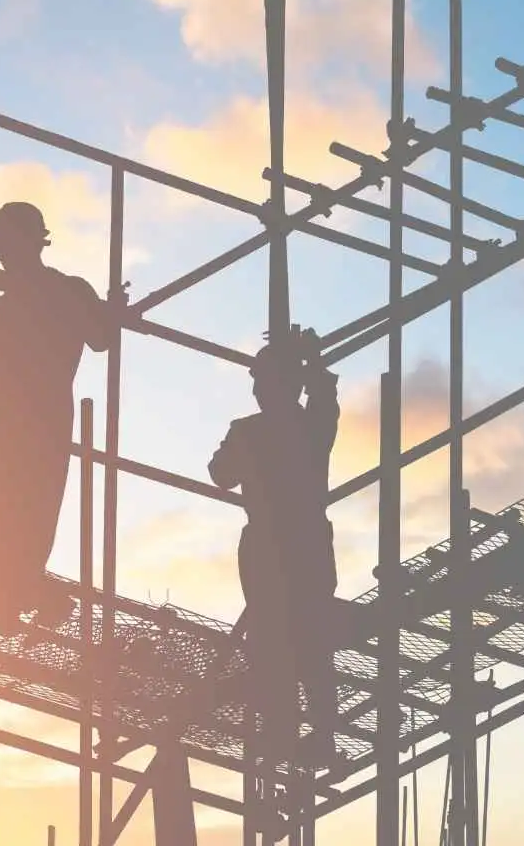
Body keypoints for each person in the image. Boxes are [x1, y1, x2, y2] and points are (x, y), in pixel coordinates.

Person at [0, 201, 119, 624]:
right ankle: (5, 595)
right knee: (12, 518)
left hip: (22, 429)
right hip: (35, 428)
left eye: (6, 247)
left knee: (13, 517)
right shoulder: (60, 295)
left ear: (29, 244)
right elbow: (102, 336)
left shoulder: (22, 305)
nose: (2, 256)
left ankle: (4, 596)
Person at [207, 325, 341, 768]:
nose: (257, 389)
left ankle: (287, 733)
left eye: (261, 380)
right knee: (309, 643)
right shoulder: (310, 424)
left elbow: (221, 473)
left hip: (271, 544)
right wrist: (312, 358)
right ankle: (315, 733)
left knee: (280, 642)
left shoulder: (249, 431)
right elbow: (324, 396)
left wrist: (309, 361)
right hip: (304, 543)